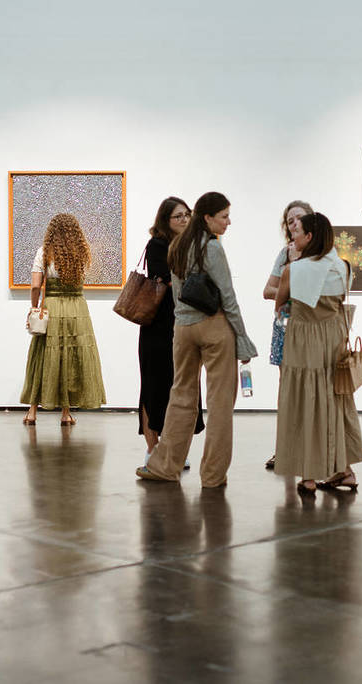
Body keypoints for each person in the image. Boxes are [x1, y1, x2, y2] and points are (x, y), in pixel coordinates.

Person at [136, 192, 257, 488]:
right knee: (219, 404)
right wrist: (243, 338)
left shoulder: (177, 245)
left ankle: (165, 466)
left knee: (181, 398)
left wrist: (182, 321)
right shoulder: (211, 247)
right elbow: (227, 297)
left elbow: (177, 293)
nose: (228, 222)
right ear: (208, 218)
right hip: (214, 327)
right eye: (224, 216)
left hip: (183, 328)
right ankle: (213, 476)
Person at [274, 212, 362, 496]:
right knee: (335, 401)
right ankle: (344, 470)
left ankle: (309, 476)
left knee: (305, 401)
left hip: (304, 341)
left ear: (309, 237)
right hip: (334, 340)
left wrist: (291, 263)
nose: (293, 237)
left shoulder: (295, 269)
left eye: (297, 231)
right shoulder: (343, 267)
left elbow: (279, 301)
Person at [20, 213, 106, 425]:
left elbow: (34, 285)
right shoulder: (81, 254)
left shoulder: (44, 252)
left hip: (53, 306)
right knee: (71, 357)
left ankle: (32, 412)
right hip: (77, 308)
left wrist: (34, 306)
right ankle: (66, 414)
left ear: (51, 232)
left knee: (43, 356)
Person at [138, 198, 205, 465]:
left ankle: (174, 447)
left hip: (183, 325)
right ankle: (153, 449)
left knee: (182, 387)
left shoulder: (192, 246)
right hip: (157, 327)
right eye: (178, 216)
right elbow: (167, 278)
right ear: (165, 220)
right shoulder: (157, 245)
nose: (184, 220)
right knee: (154, 387)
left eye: (187, 215)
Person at [261, 200, 313, 470]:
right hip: (285, 328)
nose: (294, 224)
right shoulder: (284, 254)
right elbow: (268, 291)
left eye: (299, 218)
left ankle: (310, 452)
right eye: (290, 220)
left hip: (311, 331)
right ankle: (284, 450)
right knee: (287, 392)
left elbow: (313, 294)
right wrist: (289, 277)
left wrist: (291, 279)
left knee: (311, 391)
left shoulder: (320, 254)